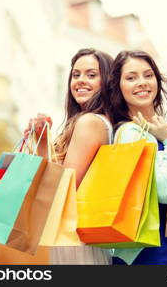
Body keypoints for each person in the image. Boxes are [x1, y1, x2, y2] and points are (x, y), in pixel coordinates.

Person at [24, 48, 113, 264]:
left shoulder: (90, 122)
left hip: (73, 239)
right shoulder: (87, 122)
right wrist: (41, 139)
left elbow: (64, 188)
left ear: (107, 81)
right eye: (76, 75)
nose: (81, 81)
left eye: (91, 75)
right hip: (71, 236)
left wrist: (43, 143)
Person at [105, 50, 167, 265]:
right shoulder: (132, 133)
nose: (141, 82)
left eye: (148, 75)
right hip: (146, 256)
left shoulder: (159, 130)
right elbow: (164, 191)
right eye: (131, 78)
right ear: (118, 87)